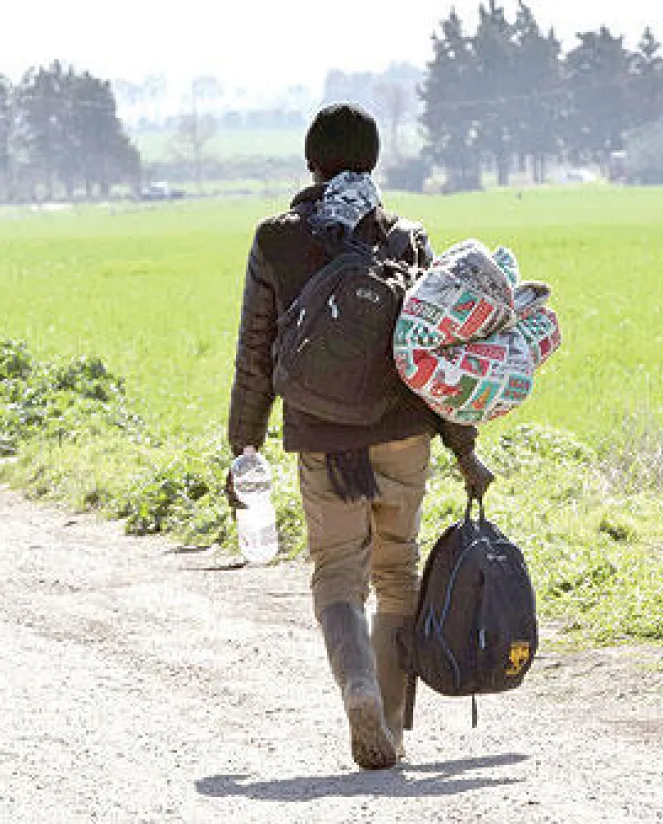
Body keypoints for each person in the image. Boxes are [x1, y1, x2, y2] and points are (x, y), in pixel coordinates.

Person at [226, 103, 493, 770]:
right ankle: (395, 728)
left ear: (311, 161)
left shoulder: (276, 239)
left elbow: (255, 352)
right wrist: (464, 447)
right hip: (403, 430)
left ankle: (358, 689)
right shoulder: (407, 239)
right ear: (373, 160)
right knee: (397, 575)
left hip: (322, 437)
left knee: (338, 578)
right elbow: (439, 355)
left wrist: (245, 444)